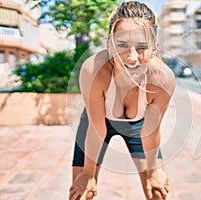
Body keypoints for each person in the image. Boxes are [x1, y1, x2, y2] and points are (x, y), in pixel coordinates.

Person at [69, 1, 175, 200]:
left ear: (155, 48)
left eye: (142, 47)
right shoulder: (93, 69)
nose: (132, 57)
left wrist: (153, 172)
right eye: (122, 45)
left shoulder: (162, 79)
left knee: (157, 192)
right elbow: (96, 129)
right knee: (81, 192)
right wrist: (88, 174)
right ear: (109, 44)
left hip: (139, 127)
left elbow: (151, 133)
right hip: (96, 122)